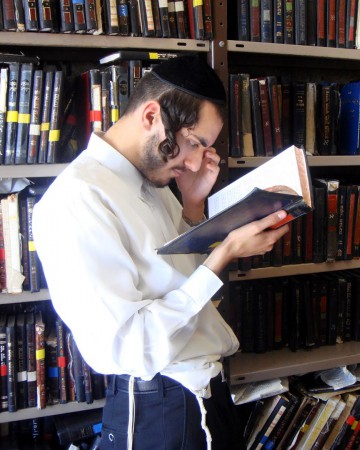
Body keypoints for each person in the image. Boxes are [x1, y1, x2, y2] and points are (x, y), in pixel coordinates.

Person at [32, 55, 290, 450]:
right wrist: (223, 256)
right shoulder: (77, 200)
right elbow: (125, 347)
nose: (193, 161)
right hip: (159, 409)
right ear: (152, 115)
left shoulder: (152, 183)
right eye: (193, 143)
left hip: (203, 393)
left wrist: (191, 209)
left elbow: (174, 282)